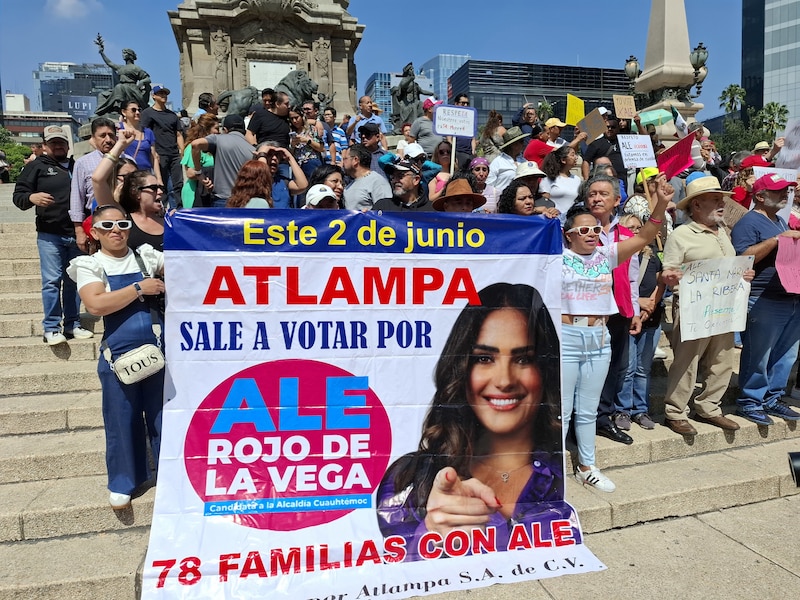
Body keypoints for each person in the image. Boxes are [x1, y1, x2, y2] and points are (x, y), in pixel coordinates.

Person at [376, 283, 572, 555]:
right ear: (461, 370)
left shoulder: (558, 475)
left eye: (524, 359)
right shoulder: (408, 478)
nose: (504, 381)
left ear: (545, 369)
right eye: (484, 358)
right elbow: (392, 568)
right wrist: (429, 533)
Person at [561, 181, 669, 491]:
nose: (592, 235)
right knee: (563, 408)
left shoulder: (606, 255)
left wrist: (660, 203)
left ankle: (587, 466)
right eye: (584, 231)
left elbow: (647, 235)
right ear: (568, 235)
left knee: (587, 408)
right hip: (568, 338)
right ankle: (553, 470)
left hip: (599, 339)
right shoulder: (555, 258)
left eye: (595, 230)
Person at [66, 204, 165, 509]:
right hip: (117, 356)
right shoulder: (89, 264)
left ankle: (169, 476)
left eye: (122, 224)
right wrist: (140, 287)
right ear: (94, 232)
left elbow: (186, 268)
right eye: (107, 226)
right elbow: (96, 304)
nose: (116, 231)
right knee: (122, 419)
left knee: (164, 420)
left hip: (159, 352)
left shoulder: (146, 255)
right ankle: (124, 481)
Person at [661, 173, 755, 436]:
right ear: (696, 205)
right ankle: (675, 412)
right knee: (686, 362)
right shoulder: (681, 235)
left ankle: (710, 407)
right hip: (693, 307)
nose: (722, 204)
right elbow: (669, 270)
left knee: (722, 360)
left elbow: (728, 268)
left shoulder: (723, 231)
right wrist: (670, 276)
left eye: (721, 199)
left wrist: (743, 274)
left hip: (724, 307)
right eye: (715, 200)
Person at [13, 125, 93, 345]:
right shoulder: (36, 166)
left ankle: (72, 324)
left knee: (74, 282)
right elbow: (18, 196)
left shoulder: (78, 166)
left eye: (61, 142)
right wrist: (32, 198)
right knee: (51, 281)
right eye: (53, 142)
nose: (58, 145)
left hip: (77, 234)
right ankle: (51, 327)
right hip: (50, 235)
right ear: (45, 145)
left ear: (68, 144)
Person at [731, 173, 800, 424]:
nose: (785, 194)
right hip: (763, 298)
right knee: (758, 353)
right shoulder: (748, 223)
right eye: (778, 190)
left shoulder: (781, 221)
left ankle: (772, 398)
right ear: (759, 196)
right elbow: (743, 259)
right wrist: (775, 241)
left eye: (787, 190)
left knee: (786, 355)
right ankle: (750, 401)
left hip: (790, 296)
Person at [616, 213, 664, 430]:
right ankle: (622, 409)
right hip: (628, 319)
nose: (635, 231)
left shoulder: (651, 255)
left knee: (643, 369)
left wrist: (652, 302)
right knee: (627, 368)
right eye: (630, 228)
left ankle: (640, 410)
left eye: (638, 228)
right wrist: (638, 303)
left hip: (651, 319)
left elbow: (660, 282)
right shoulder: (618, 257)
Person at [69, 117, 120, 253]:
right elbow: (76, 198)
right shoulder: (83, 163)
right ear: (93, 138)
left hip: (123, 222)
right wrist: (79, 230)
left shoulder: (128, 161)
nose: (108, 140)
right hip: (95, 222)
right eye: (102, 136)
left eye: (111, 135)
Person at [191, 115, 254, 207]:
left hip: (222, 200)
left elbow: (195, 144)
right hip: (245, 202)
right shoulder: (252, 149)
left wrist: (199, 172)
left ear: (225, 129)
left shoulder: (218, 139)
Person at [140, 86, 183, 210]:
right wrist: (152, 152)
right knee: (162, 184)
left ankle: (178, 210)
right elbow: (145, 133)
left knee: (177, 184)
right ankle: (160, 209)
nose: (163, 95)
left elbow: (178, 134)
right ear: (153, 96)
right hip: (159, 153)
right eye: (160, 93)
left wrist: (182, 151)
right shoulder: (147, 113)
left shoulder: (172, 115)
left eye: (165, 93)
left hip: (174, 154)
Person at [180, 113, 219, 208]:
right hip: (195, 194)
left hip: (210, 195)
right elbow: (189, 173)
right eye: (216, 129)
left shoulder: (216, 146)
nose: (218, 132)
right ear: (207, 130)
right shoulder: (193, 148)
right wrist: (202, 175)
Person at [253, 142, 308, 209]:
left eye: (277, 155)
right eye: (269, 154)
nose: (274, 158)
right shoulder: (250, 181)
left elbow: (302, 185)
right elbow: (262, 182)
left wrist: (290, 158)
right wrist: (262, 156)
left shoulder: (282, 182)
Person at [342, 144, 391, 211]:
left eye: (345, 159)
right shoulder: (349, 185)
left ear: (355, 160)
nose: (342, 163)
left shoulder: (377, 182)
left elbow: (386, 211)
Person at [539, 146, 582, 223]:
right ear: (563, 160)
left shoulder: (577, 179)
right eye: (572, 155)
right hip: (554, 220)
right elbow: (543, 202)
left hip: (572, 221)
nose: (576, 157)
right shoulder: (549, 179)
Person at [118, 101, 160, 178]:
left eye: (139, 110)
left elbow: (154, 157)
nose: (137, 112)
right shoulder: (118, 129)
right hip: (127, 175)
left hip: (146, 174)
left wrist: (159, 180)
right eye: (133, 110)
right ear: (124, 112)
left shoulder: (148, 132)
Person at [486, 127, 530, 193]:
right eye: (521, 141)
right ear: (513, 145)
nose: (523, 144)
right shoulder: (498, 162)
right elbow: (489, 185)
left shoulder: (525, 162)